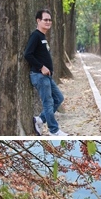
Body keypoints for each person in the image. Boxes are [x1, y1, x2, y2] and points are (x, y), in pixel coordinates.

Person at [24, 8, 68, 137]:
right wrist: (41, 67)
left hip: (46, 77)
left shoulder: (43, 36)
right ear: (38, 20)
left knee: (59, 98)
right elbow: (27, 54)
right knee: (48, 103)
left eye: (50, 20)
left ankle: (40, 120)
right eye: (45, 20)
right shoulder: (36, 36)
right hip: (39, 75)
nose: (48, 22)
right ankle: (54, 131)